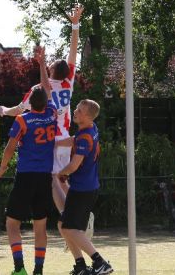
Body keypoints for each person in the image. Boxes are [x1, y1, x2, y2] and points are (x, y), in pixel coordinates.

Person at [0, 6, 84, 218]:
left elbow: (18, 110)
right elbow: (73, 52)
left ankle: (71, 217)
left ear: (51, 70)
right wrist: (75, 25)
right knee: (62, 179)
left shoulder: (38, 91)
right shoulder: (68, 83)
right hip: (65, 136)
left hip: (51, 140)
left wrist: (4, 110)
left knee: (53, 180)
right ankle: (79, 213)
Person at [0, 85, 63, 275]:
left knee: (12, 223)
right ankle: (38, 270)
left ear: (29, 102)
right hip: (44, 178)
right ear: (46, 102)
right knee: (40, 226)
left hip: (25, 176)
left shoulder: (22, 120)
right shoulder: (52, 114)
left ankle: (19, 268)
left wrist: (2, 168)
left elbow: (10, 147)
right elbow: (48, 93)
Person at [57, 99, 113, 275]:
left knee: (69, 228)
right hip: (85, 188)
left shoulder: (85, 137)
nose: (75, 112)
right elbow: (74, 140)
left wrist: (60, 174)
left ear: (89, 117)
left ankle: (100, 262)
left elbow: (74, 165)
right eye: (76, 109)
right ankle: (80, 266)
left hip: (83, 190)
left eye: (80, 111)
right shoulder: (91, 128)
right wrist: (56, 143)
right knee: (63, 225)